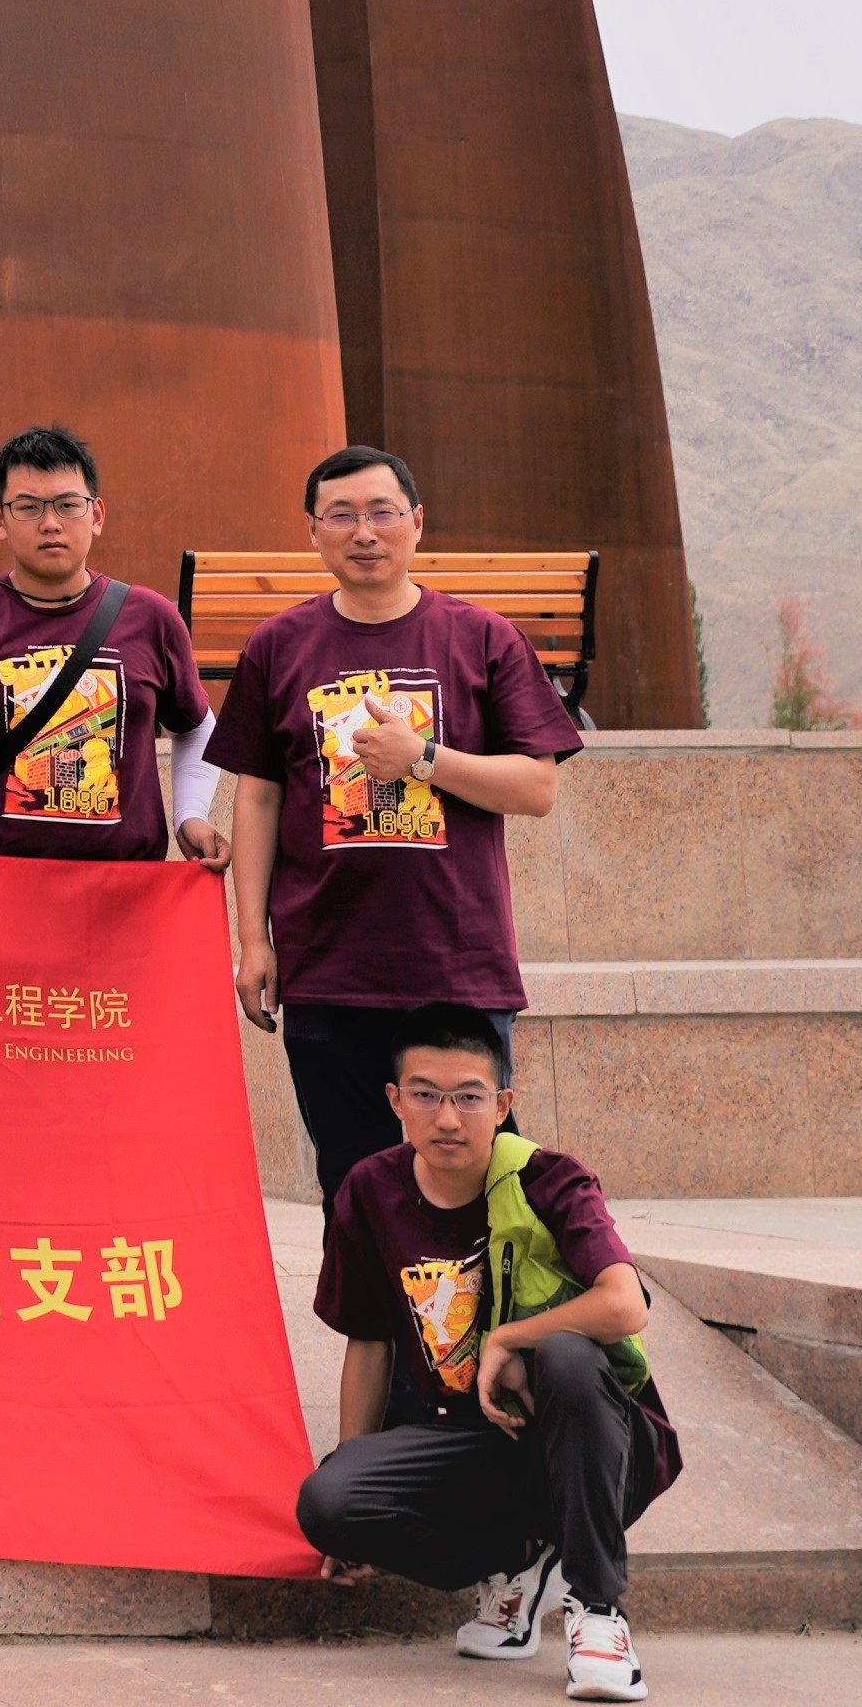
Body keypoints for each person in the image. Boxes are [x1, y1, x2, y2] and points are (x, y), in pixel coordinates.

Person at [212, 446, 584, 1212]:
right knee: (352, 1190)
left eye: (382, 513)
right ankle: (373, 1337)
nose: (364, 532)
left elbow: (537, 785)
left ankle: (484, 1337)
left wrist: (422, 759)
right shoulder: (278, 647)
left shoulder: (482, 638)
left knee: (471, 1188)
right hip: (328, 966)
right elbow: (256, 800)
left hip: (455, 964)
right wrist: (253, 940)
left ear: (416, 523)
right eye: (340, 516)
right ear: (313, 533)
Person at [294, 1016, 671, 1704]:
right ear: (393, 1100)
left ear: (502, 1104)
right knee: (329, 1501)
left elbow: (624, 1306)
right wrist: (353, 1478)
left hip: (602, 1442)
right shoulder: (370, 1193)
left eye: (469, 1097)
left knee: (561, 1352)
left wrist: (509, 1338)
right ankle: (518, 1564)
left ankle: (597, 1610)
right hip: (475, 1439)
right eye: (425, 1094)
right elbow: (371, 1340)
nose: (448, 1117)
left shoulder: (548, 1180)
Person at [0, 425, 221, 873]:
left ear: (97, 514)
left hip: (128, 891)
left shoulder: (151, 618)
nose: (50, 523)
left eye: (69, 505)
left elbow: (196, 725)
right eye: (28, 507)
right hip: (0, 889)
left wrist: (190, 813)